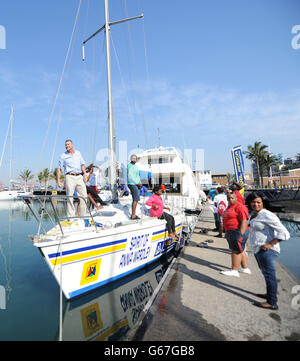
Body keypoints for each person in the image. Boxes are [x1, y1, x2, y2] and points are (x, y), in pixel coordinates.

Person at [247, 192, 290, 310]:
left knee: (270, 275)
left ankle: (272, 302)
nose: (255, 204)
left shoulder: (267, 214)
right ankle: (269, 294)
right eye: (253, 202)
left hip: (267, 251)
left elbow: (285, 233)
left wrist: (271, 244)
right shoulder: (255, 214)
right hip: (258, 249)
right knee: (266, 274)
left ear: (263, 203)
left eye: (258, 202)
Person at [220, 192, 251, 277]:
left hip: (237, 231)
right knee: (242, 250)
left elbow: (244, 221)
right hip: (231, 231)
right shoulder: (230, 207)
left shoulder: (240, 207)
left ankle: (234, 270)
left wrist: (240, 235)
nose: (230, 199)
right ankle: (245, 268)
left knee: (235, 250)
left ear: (236, 198)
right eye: (228, 198)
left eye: (232, 198)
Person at [57, 139, 88, 218]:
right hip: (69, 177)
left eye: (68, 144)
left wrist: (85, 174)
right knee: (70, 198)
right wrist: (58, 180)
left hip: (79, 176)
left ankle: (83, 216)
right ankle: (70, 217)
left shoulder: (78, 153)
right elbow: (59, 169)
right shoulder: (63, 156)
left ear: (72, 145)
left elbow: (82, 164)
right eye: (66, 145)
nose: (67, 146)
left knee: (84, 196)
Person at [127, 154, 142, 219]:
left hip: (136, 184)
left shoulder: (135, 166)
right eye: (133, 158)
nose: (134, 159)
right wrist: (137, 183)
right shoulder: (130, 166)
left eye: (135, 158)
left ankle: (134, 214)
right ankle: (133, 215)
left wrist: (140, 183)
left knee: (136, 199)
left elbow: (137, 176)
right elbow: (131, 176)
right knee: (135, 199)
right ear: (131, 159)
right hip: (132, 184)